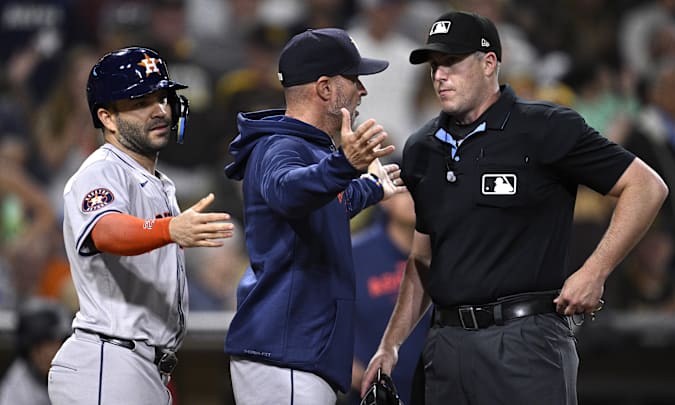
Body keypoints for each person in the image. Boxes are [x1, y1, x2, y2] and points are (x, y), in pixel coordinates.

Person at [361, 11, 669, 405]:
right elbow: (423, 260)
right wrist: (390, 345)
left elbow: (646, 186)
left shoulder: (543, 127)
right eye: (435, 66)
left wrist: (595, 271)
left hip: (526, 341)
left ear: (489, 63)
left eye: (452, 62)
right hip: (446, 343)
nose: (439, 75)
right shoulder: (422, 149)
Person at [223, 28, 405, 405]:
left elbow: (322, 204)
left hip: (296, 352)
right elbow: (289, 192)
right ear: (325, 88)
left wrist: (370, 188)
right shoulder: (280, 146)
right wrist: (344, 164)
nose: (363, 90)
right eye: (354, 79)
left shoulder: (307, 150)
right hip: (285, 351)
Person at [47, 46, 234, 405]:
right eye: (140, 102)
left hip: (138, 366)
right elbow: (105, 231)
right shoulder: (102, 169)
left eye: (163, 97)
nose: (160, 110)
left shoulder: (154, 181)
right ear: (108, 118)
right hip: (108, 362)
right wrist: (169, 230)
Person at [344, 187, 431, 405]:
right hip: (371, 394)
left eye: (417, 188)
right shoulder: (355, 254)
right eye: (404, 190)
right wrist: (343, 365)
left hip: (435, 388)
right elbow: (319, 312)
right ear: (384, 198)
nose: (414, 198)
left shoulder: (445, 252)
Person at [0, 298, 71, 405]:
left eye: (61, 342)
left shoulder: (73, 372)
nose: (57, 349)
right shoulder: (18, 391)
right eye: (49, 344)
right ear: (32, 350)